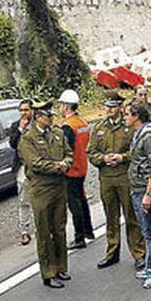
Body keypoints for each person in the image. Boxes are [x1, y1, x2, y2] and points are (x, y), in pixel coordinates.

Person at [87, 91, 146, 271]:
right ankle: (112, 252)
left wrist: (122, 157)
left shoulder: (128, 126)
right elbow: (91, 152)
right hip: (106, 178)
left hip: (125, 177)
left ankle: (139, 253)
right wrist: (103, 159)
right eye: (107, 106)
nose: (109, 110)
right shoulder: (98, 128)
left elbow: (137, 150)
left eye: (113, 106)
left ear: (120, 107)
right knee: (111, 217)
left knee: (131, 216)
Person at [18, 100, 72, 289]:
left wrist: (66, 162)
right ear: (39, 117)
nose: (51, 118)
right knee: (44, 231)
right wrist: (59, 166)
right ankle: (48, 272)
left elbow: (69, 153)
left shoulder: (57, 133)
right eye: (47, 116)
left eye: (51, 115)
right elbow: (35, 163)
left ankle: (61, 267)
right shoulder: (28, 138)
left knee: (59, 228)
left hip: (59, 186)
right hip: (41, 188)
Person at [125, 102, 151, 289]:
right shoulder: (139, 134)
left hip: (145, 190)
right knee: (145, 229)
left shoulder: (149, 137)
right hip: (138, 188)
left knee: (149, 231)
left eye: (127, 114)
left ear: (136, 116)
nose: (125, 118)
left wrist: (148, 194)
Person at [58, 90, 94, 249]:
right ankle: (89, 230)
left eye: (61, 104)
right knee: (82, 198)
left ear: (66, 106)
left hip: (71, 169)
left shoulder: (68, 126)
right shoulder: (82, 122)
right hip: (82, 165)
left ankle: (79, 237)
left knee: (75, 204)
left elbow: (66, 149)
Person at [8, 99, 34, 245]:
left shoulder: (38, 123)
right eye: (21, 110)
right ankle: (24, 231)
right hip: (22, 167)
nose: (24, 113)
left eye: (26, 110)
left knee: (38, 197)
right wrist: (19, 129)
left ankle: (41, 227)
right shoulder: (15, 126)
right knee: (23, 200)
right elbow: (12, 143)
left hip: (36, 167)